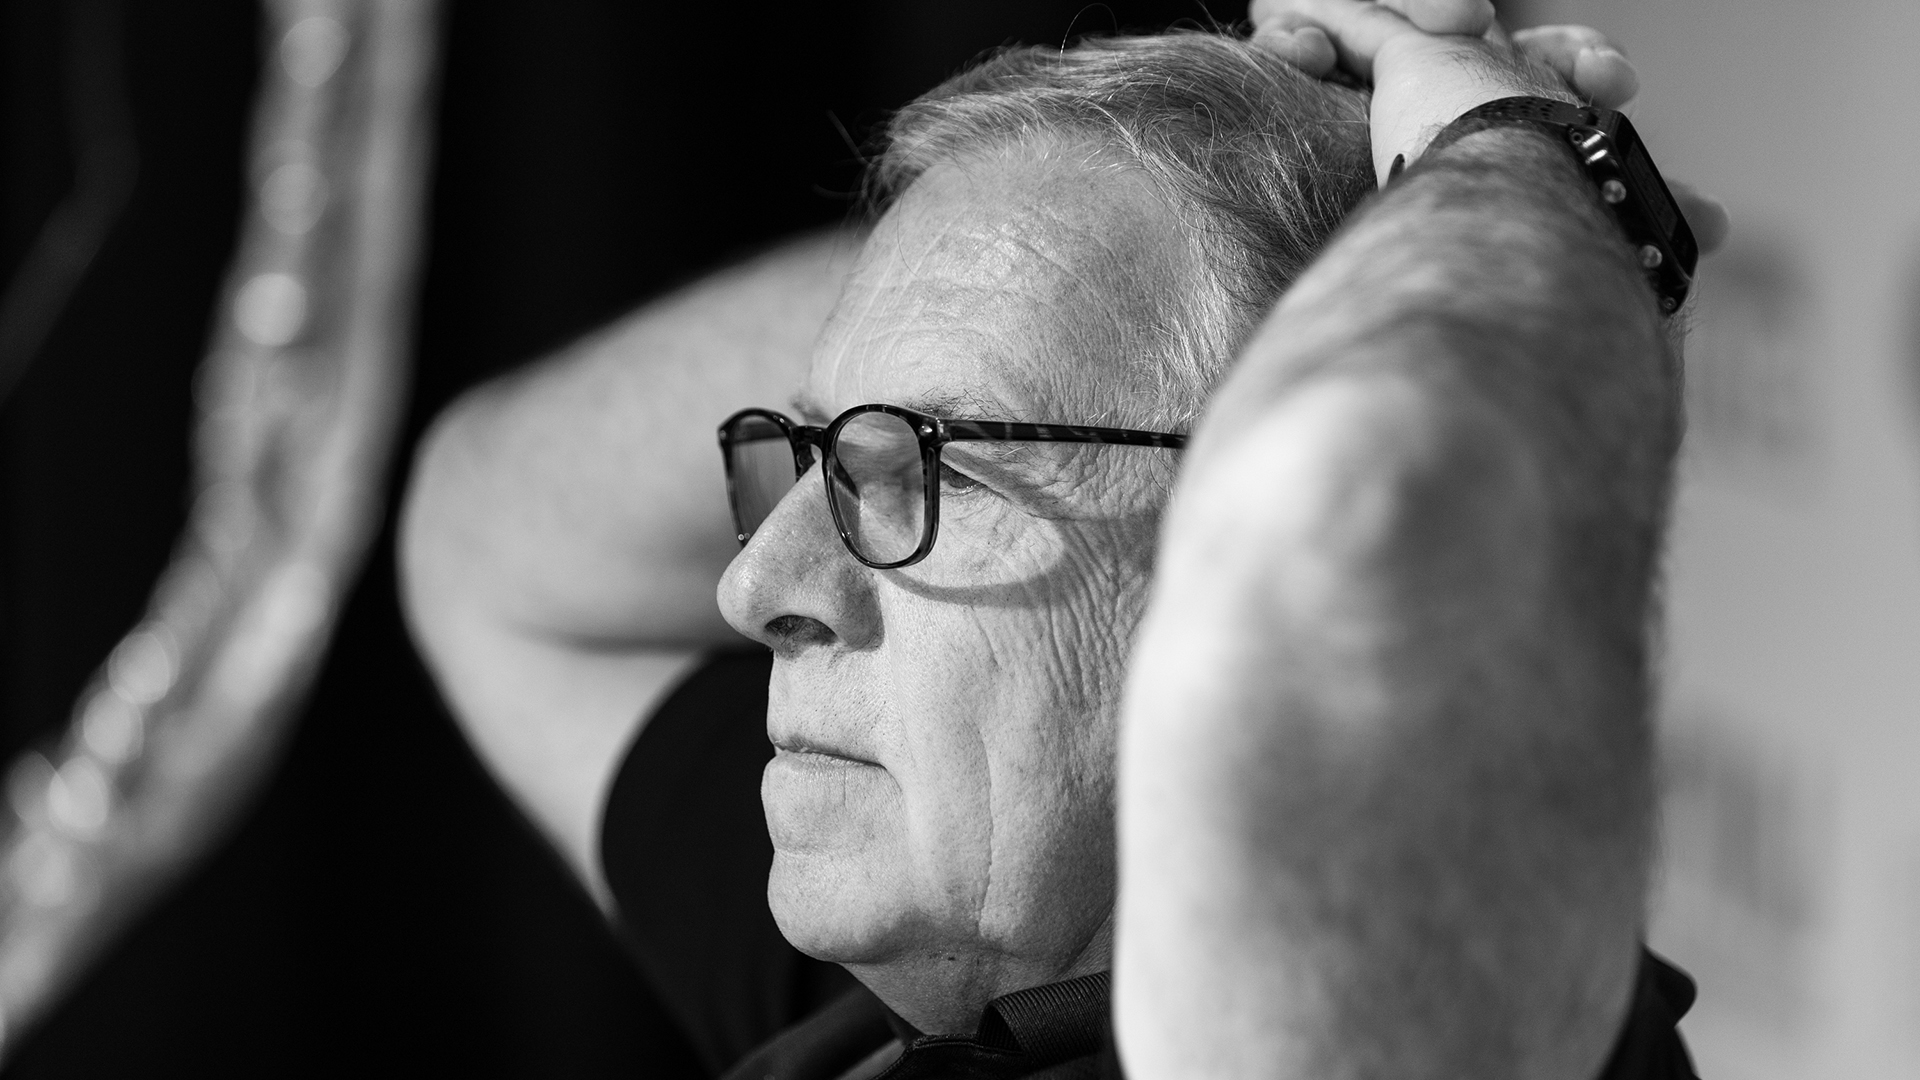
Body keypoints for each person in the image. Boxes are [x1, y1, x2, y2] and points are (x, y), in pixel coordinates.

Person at [401, 2, 1725, 1077]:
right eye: (815, 457)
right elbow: (488, 535)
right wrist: (1149, 190)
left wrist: (1519, 161)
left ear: (1227, 530)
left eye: (930, 467)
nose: (757, 587)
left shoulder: (1411, 1023)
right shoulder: (932, 987)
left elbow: (1370, 510)